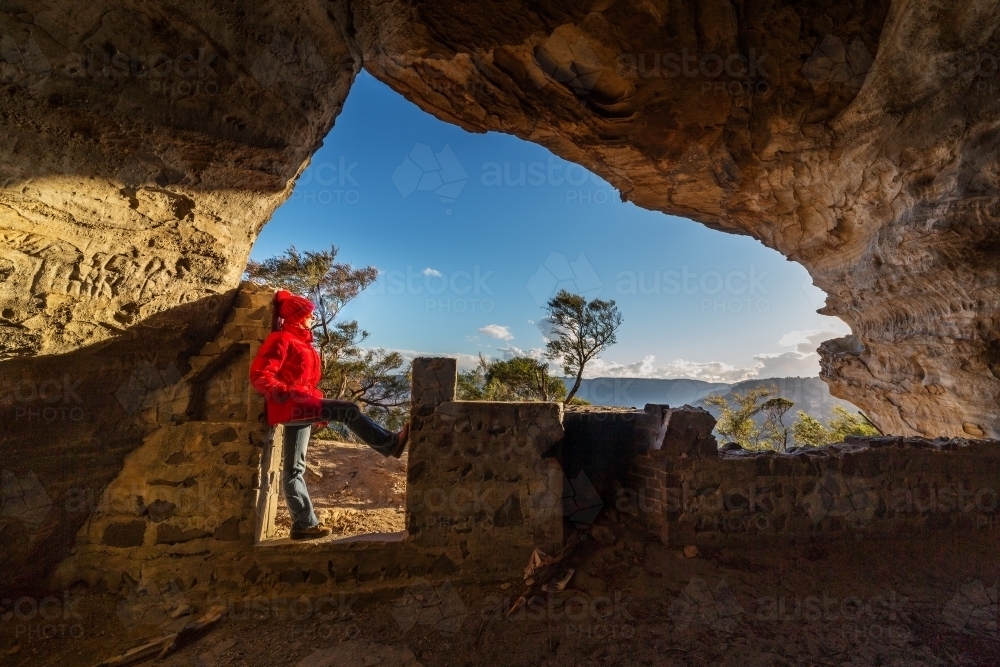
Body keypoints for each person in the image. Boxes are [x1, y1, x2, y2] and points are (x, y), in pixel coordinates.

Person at [249, 290, 409, 540]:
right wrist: (287, 394)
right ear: (299, 317)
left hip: (302, 405)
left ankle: (303, 524)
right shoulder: (281, 339)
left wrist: (316, 411)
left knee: (293, 470)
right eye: (309, 314)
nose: (313, 318)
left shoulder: (302, 344)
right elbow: (260, 375)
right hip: (293, 404)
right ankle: (390, 444)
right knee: (349, 410)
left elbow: (308, 382)